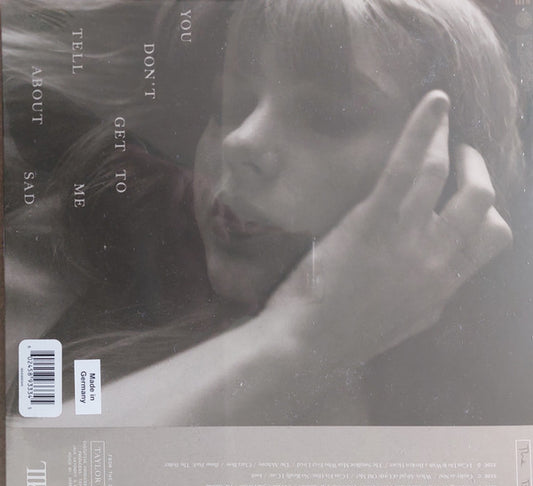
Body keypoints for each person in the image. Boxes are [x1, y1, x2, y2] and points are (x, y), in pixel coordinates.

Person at [4, 0, 526, 426]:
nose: (239, 141)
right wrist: (304, 335)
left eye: (328, 116)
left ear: (454, 183)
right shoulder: (69, 301)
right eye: (228, 106)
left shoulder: (485, 415)